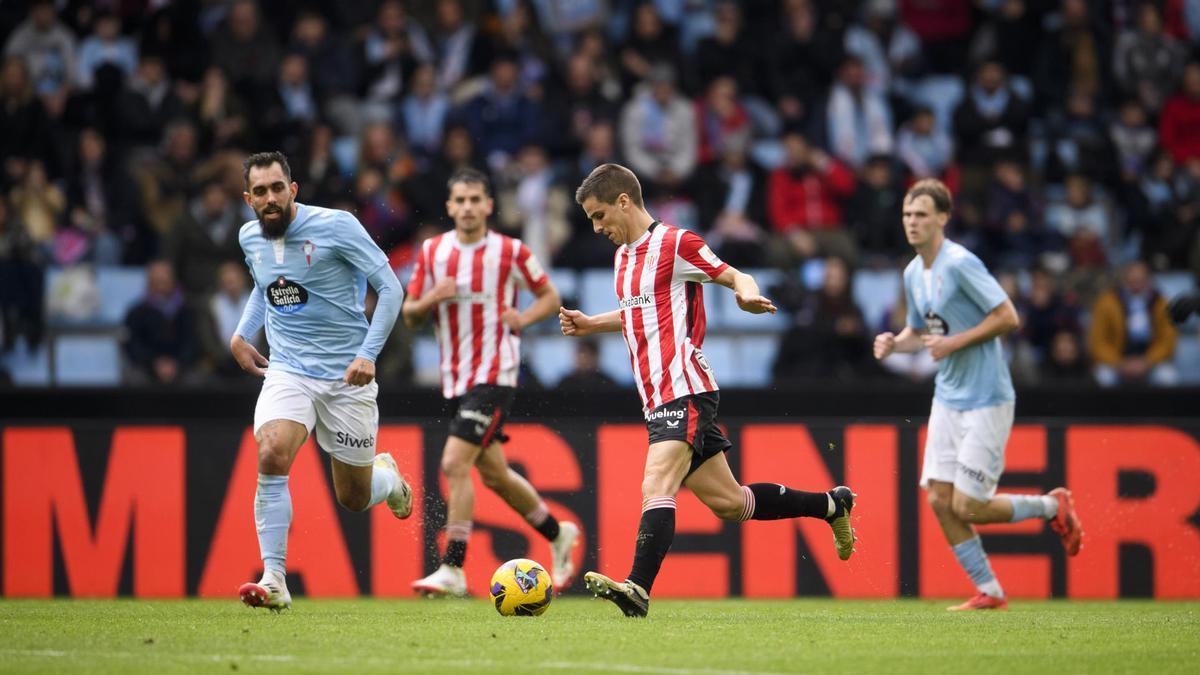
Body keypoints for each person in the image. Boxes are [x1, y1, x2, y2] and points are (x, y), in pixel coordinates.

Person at [559, 163, 857, 618]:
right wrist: (591, 323)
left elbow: (733, 274)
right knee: (731, 502)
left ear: (624, 201)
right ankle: (832, 505)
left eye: (600, 216)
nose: (597, 228)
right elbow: (639, 314)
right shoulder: (623, 259)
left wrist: (746, 294)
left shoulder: (677, 244)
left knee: (656, 482)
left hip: (684, 385)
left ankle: (637, 589)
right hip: (656, 395)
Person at [872, 179, 1084, 611]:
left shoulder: (960, 263)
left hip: (987, 396)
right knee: (938, 498)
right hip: (948, 395)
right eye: (908, 215)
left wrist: (955, 342)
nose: (912, 223)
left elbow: (1008, 316)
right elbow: (923, 332)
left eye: (922, 215)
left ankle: (1050, 506)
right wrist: (896, 342)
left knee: (969, 505)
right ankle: (990, 590)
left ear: (943, 218)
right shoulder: (914, 272)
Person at [230, 151, 412, 612]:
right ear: (247, 198)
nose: (270, 199)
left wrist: (368, 354)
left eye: (278, 189)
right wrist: (240, 334)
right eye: (260, 192)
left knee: (352, 498)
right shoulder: (250, 237)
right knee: (271, 452)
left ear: (293, 190)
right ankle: (274, 578)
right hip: (288, 368)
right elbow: (263, 285)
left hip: (347, 377)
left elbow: (391, 288)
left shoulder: (337, 227)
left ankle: (388, 480)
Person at [402, 167, 579, 597]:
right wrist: (431, 299)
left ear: (488, 205)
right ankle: (558, 533)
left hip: (496, 373)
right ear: (449, 207)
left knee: (453, 464)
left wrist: (524, 317)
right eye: (459, 200)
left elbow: (551, 297)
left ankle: (453, 567)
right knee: (496, 476)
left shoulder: (510, 251)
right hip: (456, 378)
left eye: (474, 200)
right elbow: (409, 314)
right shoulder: (432, 253)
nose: (466, 208)